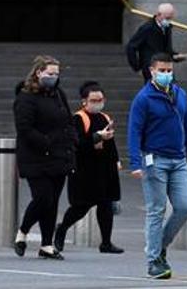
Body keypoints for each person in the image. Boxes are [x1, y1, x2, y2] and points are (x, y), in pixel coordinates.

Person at [128, 53, 187, 279]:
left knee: (184, 207)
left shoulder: (180, 94)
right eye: (162, 70)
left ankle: (159, 246)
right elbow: (134, 131)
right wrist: (135, 162)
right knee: (156, 210)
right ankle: (153, 261)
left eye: (169, 70)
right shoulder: (143, 98)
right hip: (154, 160)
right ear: (151, 71)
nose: (166, 74)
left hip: (179, 160)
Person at [13, 56, 77, 261]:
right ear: (38, 72)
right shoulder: (26, 97)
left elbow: (68, 119)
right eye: (50, 73)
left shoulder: (58, 94)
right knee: (43, 198)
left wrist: (71, 139)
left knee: (53, 202)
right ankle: (22, 231)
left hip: (59, 155)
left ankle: (46, 244)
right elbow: (24, 128)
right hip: (36, 156)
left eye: (56, 74)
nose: (54, 77)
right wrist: (47, 142)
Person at [53, 81, 124, 255]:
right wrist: (97, 137)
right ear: (84, 101)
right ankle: (62, 228)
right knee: (81, 207)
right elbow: (76, 144)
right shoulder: (78, 118)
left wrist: (116, 160)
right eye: (94, 100)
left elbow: (111, 143)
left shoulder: (104, 118)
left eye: (100, 100)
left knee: (106, 204)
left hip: (104, 168)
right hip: (84, 170)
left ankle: (106, 242)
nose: (98, 103)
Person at [125, 3, 187, 82]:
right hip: (152, 67)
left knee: (170, 87)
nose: (169, 21)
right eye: (167, 18)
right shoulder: (147, 28)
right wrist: (137, 66)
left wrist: (176, 56)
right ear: (158, 15)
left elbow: (166, 48)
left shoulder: (167, 28)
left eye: (171, 18)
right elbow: (131, 46)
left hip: (165, 65)